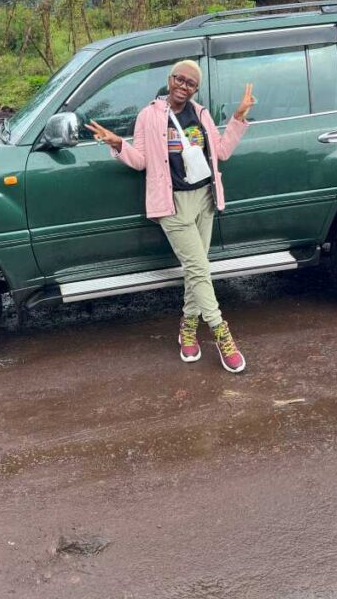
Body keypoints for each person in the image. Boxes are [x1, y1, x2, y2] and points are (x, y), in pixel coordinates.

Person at [86, 60, 255, 373]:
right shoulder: (149, 116)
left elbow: (221, 152)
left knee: (196, 270)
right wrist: (118, 143)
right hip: (172, 204)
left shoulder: (200, 114)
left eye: (190, 83)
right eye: (179, 79)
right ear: (170, 79)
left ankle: (188, 328)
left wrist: (238, 117)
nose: (183, 86)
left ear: (195, 89)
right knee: (199, 269)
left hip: (204, 199)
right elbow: (141, 161)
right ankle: (222, 333)